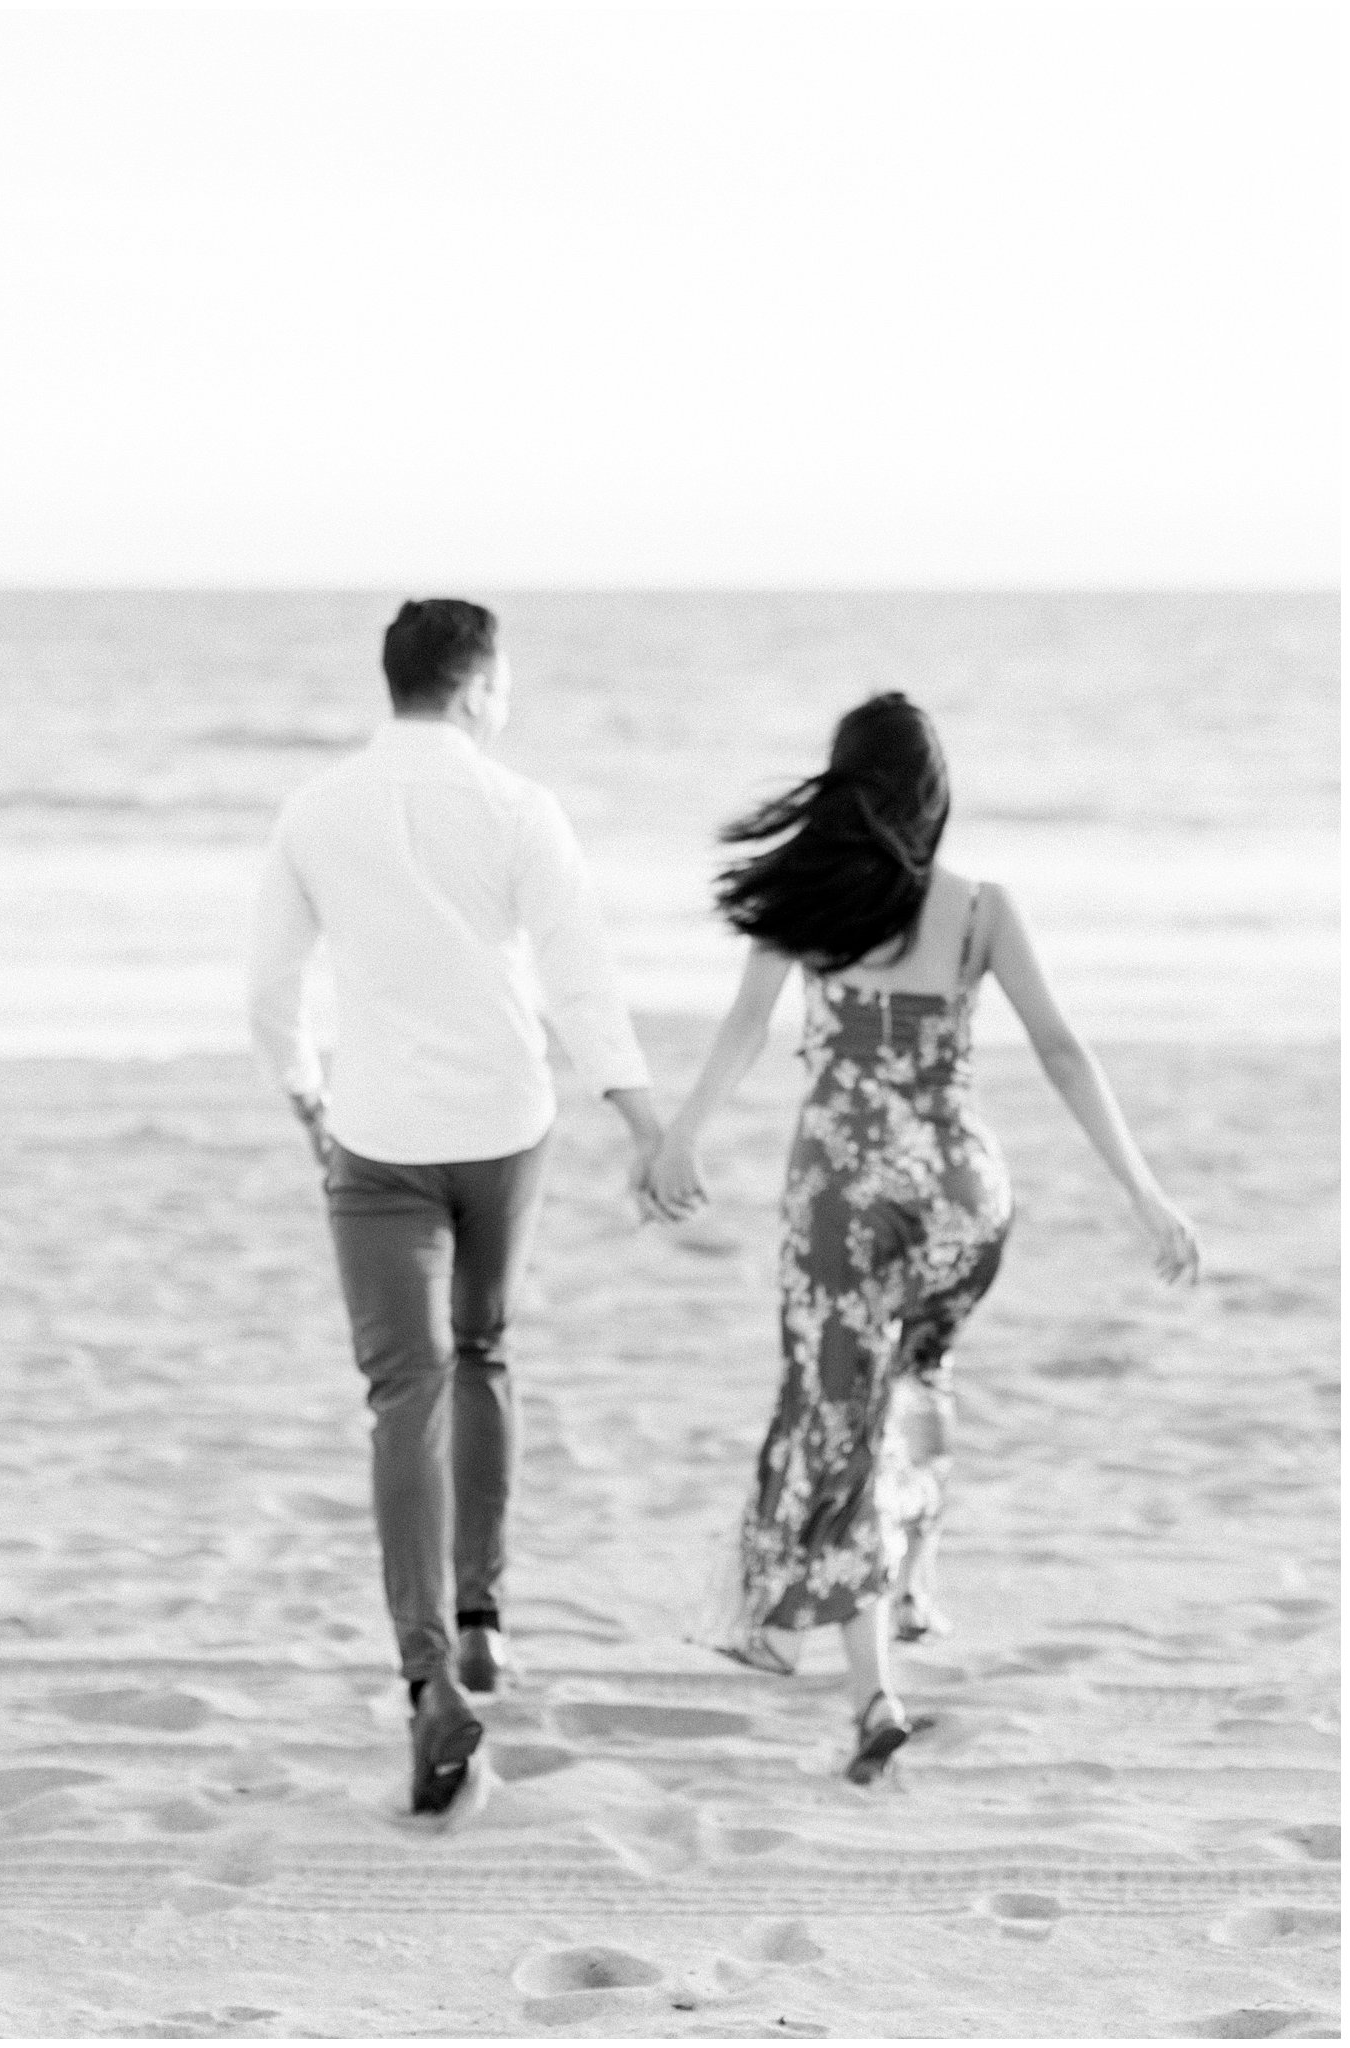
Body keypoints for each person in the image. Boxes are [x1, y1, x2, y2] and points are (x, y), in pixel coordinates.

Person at [647, 692, 1200, 1785]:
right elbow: (1060, 1047)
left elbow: (747, 1027)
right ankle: (903, 1588)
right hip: (962, 1197)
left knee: (835, 1414)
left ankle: (872, 1695)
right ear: (931, 799)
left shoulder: (804, 903)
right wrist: (1143, 1192)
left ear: (843, 787)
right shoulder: (982, 907)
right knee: (917, 1380)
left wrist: (680, 1133)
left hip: (847, 1194)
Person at [247, 598, 665, 1815]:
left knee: (401, 1392)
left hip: (375, 1138)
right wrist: (637, 1114)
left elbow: (270, 987)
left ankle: (428, 1675)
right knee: (483, 1351)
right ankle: (481, 1611)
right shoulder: (520, 807)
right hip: (505, 1126)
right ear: (480, 686)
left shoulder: (314, 811)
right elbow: (579, 968)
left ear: (397, 684)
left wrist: (303, 1094)